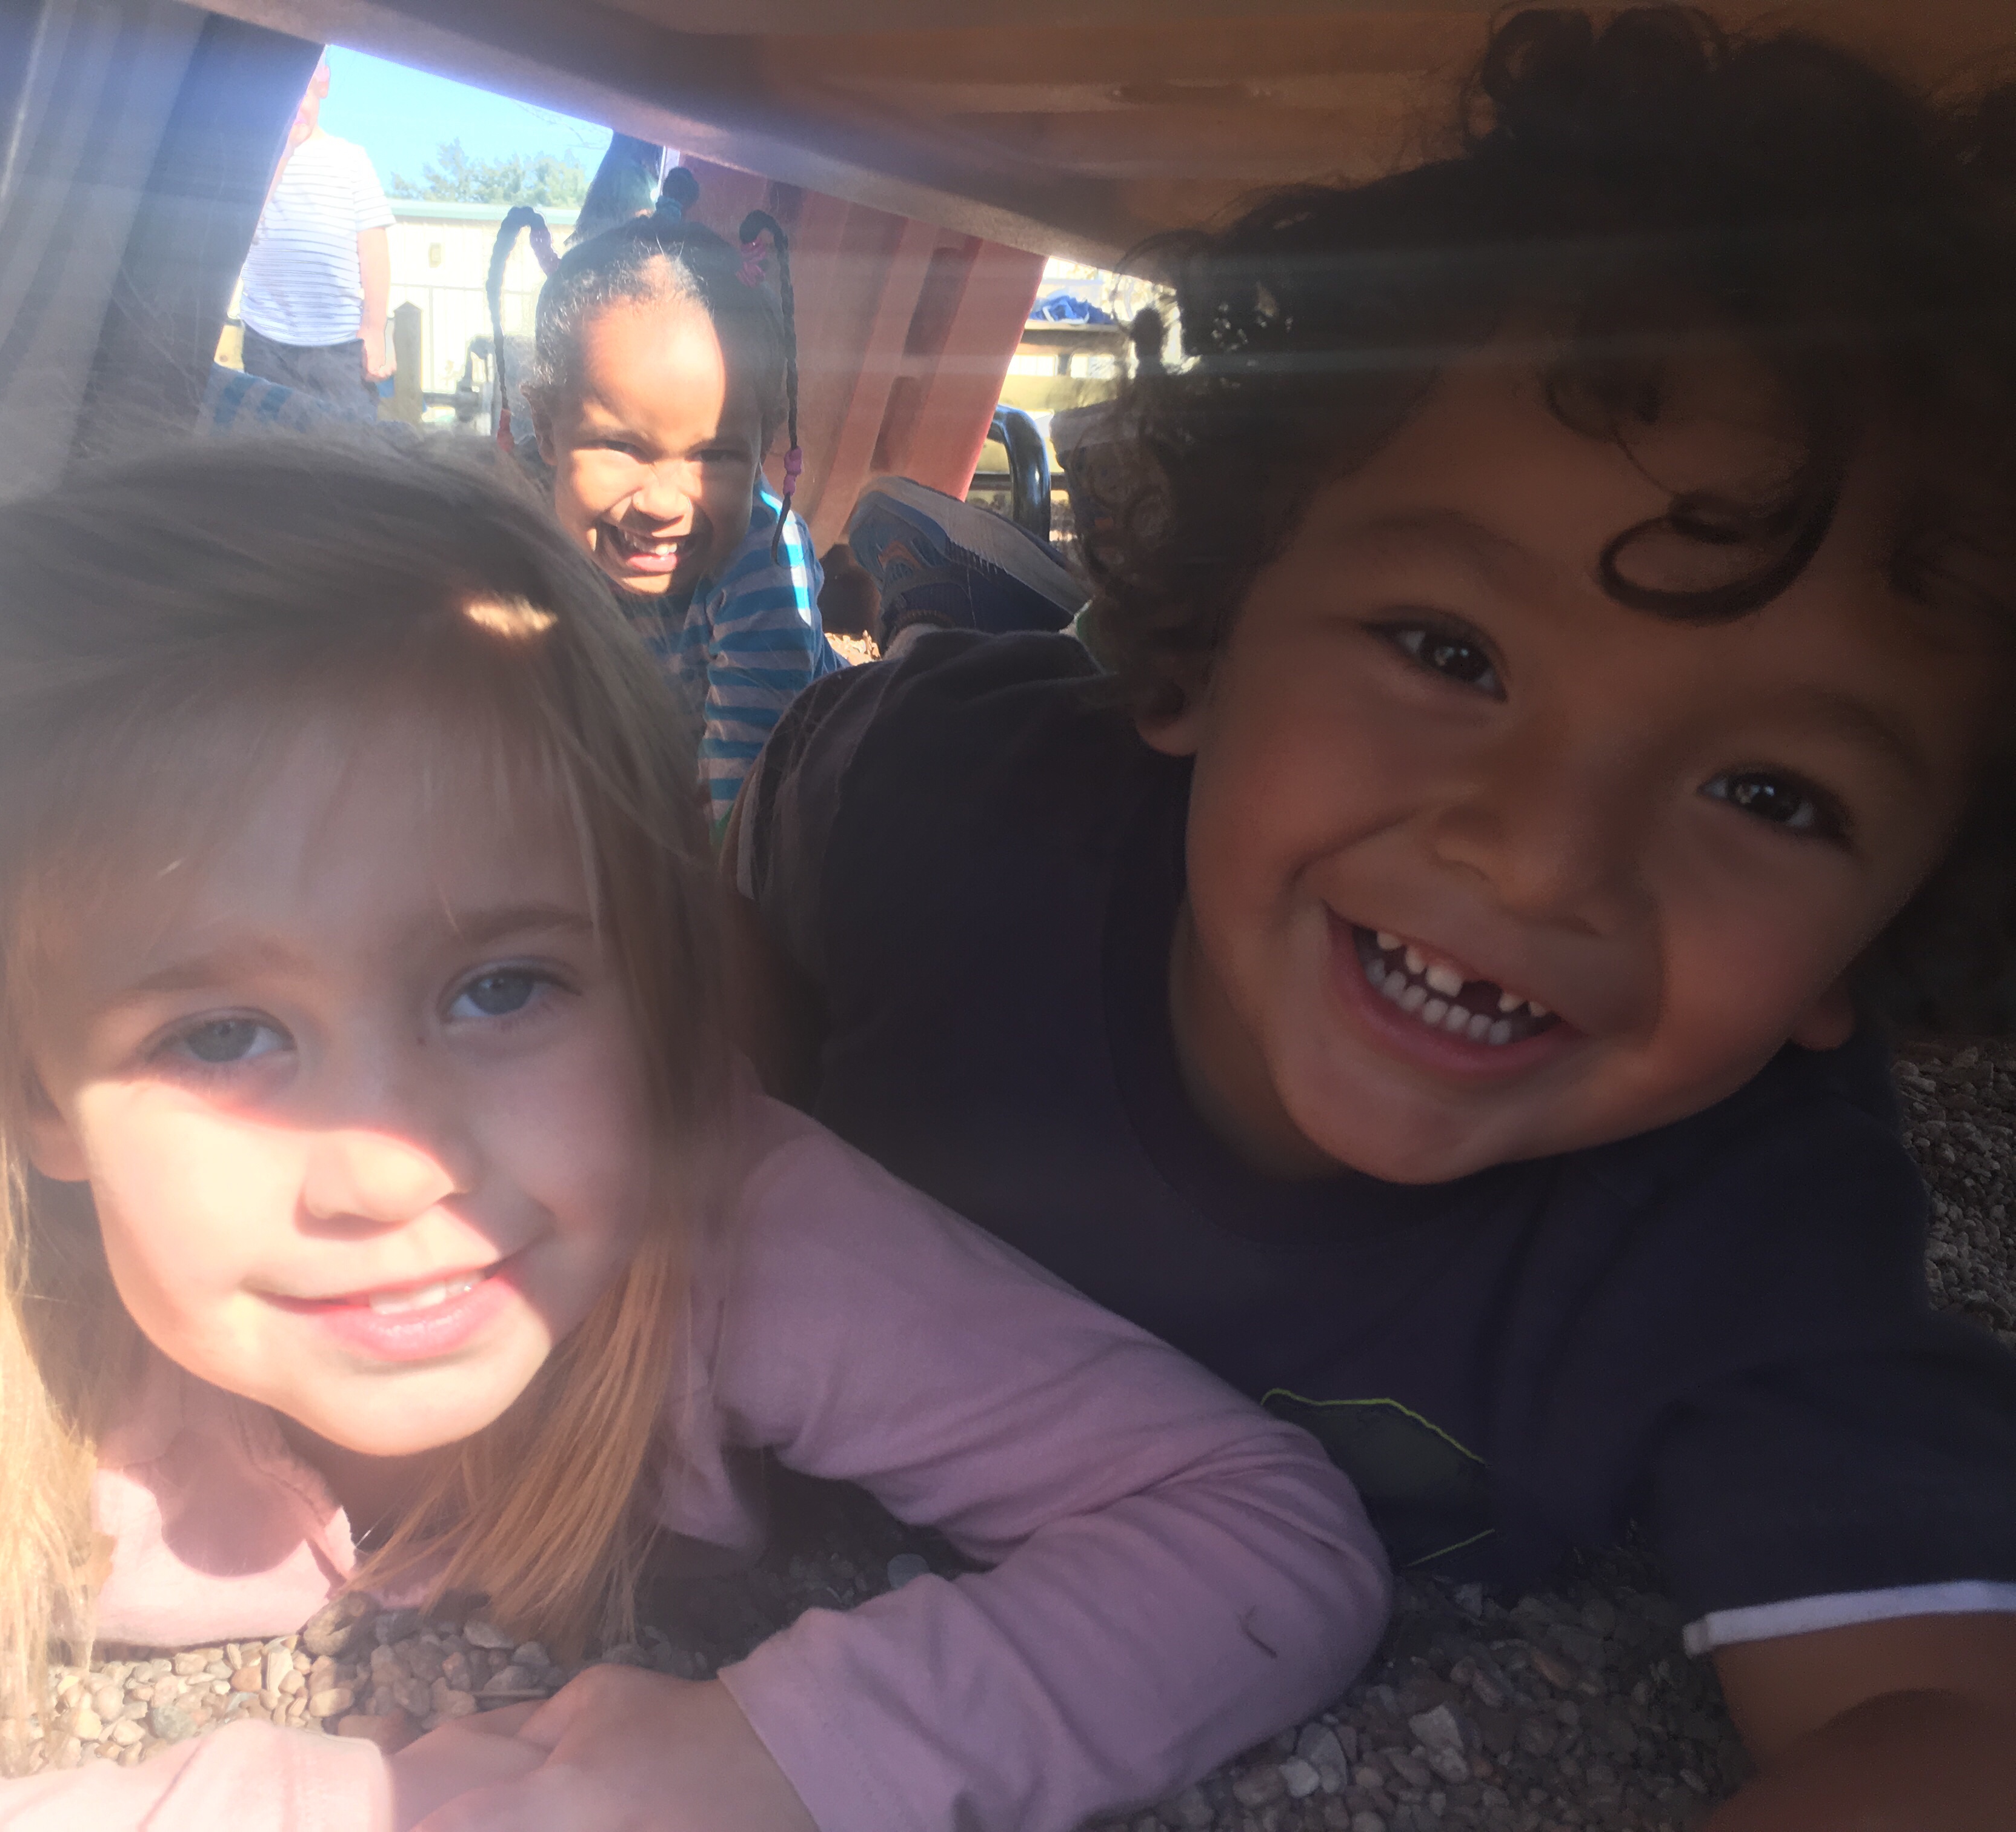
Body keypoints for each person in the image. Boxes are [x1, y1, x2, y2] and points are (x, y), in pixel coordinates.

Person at [727, 9, 2016, 1828]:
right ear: (1206, 638)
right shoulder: (953, 813)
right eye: (1447, 651)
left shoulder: (1746, 1225)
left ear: (1877, 939)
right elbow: (731, 852)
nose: (1544, 858)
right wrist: (710, 1122)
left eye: (1770, 796)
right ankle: (987, 596)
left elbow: (1942, 1721)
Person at [0, 437, 1388, 1831]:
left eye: (501, 988)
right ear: (36, 1086)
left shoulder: (722, 1219)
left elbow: (1259, 1535)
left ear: (656, 995)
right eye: (222, 1034)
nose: (394, 1166)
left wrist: (782, 1757)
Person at [488, 169, 840, 837]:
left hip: (797, 783)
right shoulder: (520, 510)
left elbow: (745, 822)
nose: (661, 502)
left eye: (713, 456)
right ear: (548, 432)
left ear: (763, 445)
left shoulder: (762, 564)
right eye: (621, 445)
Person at [237, 57, 395, 408]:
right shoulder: (255, 162)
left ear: (323, 84)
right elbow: (242, 228)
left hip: (339, 344)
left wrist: (374, 328)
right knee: (267, 435)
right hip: (267, 339)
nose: (292, 108)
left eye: (301, 94)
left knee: (346, 435)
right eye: (281, 99)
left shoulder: (351, 159)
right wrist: (282, 154)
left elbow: (374, 251)